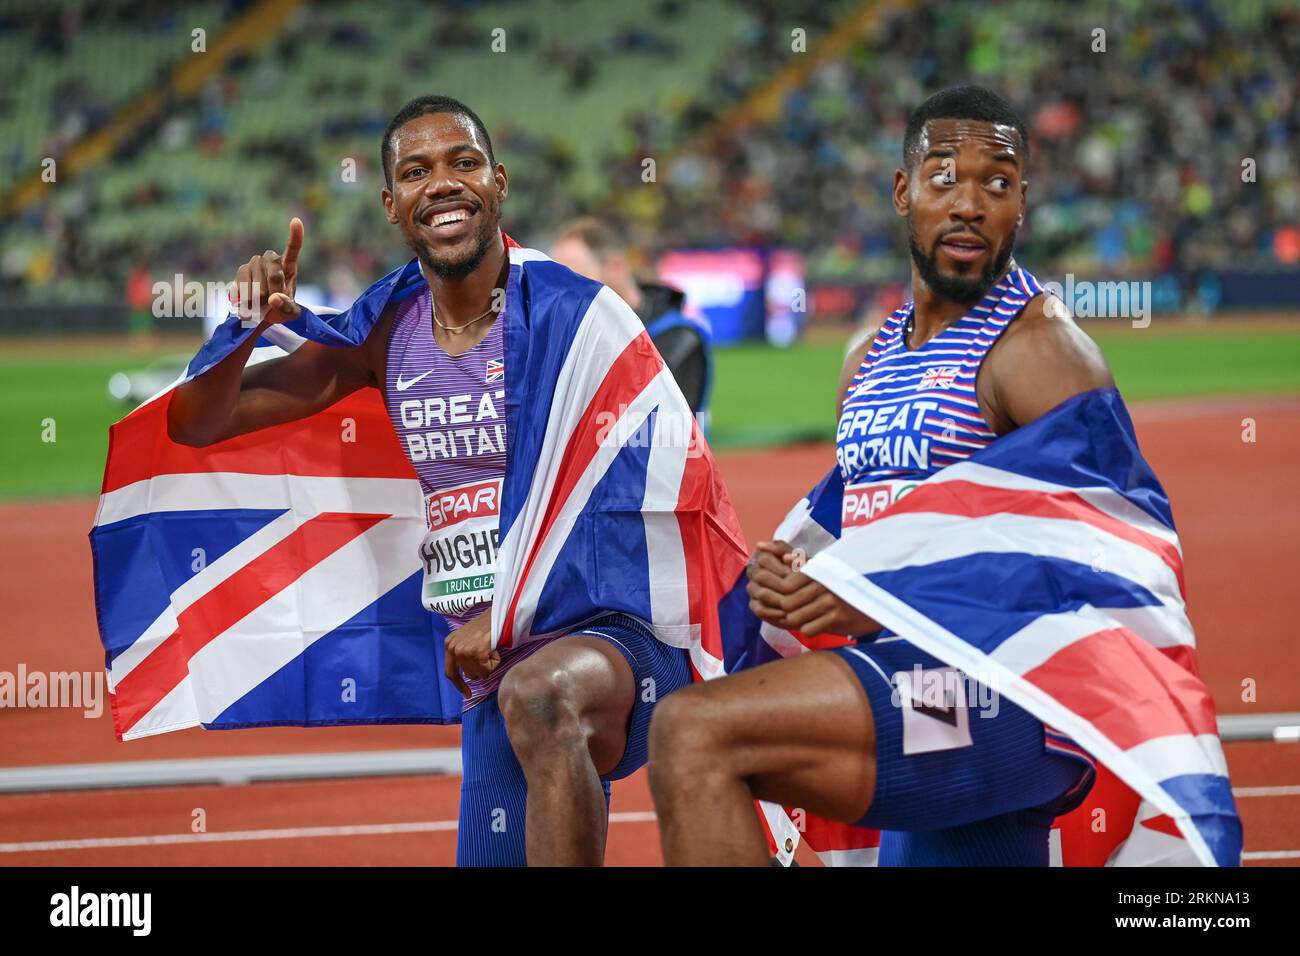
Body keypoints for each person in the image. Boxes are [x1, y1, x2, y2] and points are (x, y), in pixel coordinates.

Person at [167, 95, 700, 866]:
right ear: (392, 205)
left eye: (464, 163)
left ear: (499, 181)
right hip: (495, 663)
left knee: (544, 697)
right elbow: (199, 422)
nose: (442, 183)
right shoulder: (388, 328)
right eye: (416, 172)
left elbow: (641, 487)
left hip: (619, 633)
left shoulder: (573, 314)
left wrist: (518, 603)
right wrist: (240, 326)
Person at [648, 86, 1112, 866]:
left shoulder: (1040, 353)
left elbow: (1101, 568)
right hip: (915, 684)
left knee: (693, 733)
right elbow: (871, 521)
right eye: (943, 178)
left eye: (996, 183)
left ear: (1022, 203)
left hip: (1008, 697)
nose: (969, 204)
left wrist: (871, 594)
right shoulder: (867, 358)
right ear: (903, 192)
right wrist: (796, 572)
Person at [551, 218, 712, 428]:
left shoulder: (677, 337)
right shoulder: (573, 336)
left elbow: (661, 436)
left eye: (577, 278)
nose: (563, 293)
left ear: (616, 266)